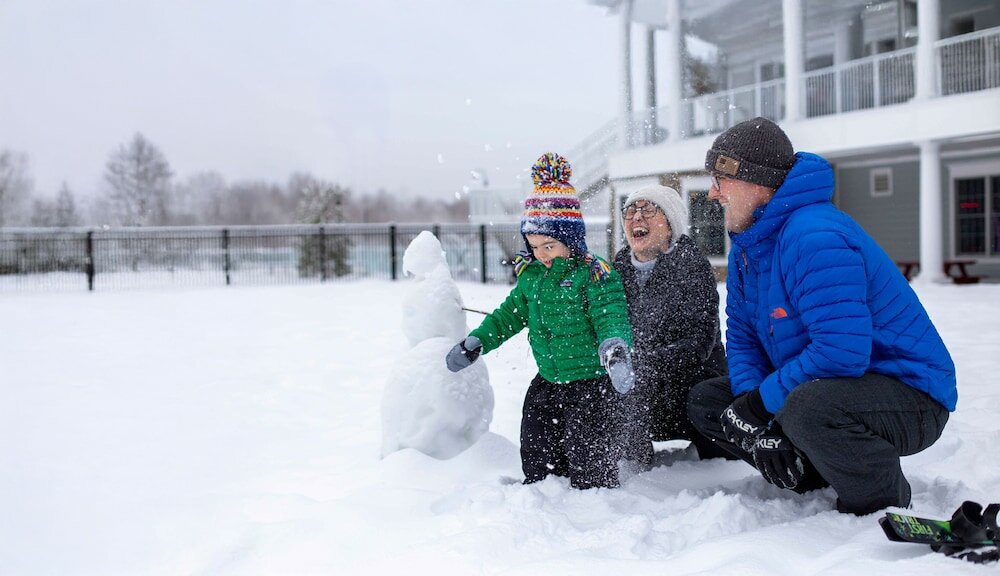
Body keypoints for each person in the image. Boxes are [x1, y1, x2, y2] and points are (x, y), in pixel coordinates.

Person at [686, 117, 957, 515]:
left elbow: (841, 352)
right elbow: (743, 335)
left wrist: (761, 407)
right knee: (709, 401)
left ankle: (880, 497)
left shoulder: (814, 236)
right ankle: (807, 468)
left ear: (756, 183)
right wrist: (751, 408)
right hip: (826, 386)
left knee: (808, 409)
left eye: (720, 181)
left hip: (908, 394)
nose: (713, 193)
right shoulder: (748, 247)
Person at [446, 152, 635, 489]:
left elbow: (610, 316)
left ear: (571, 239)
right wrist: (478, 341)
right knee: (537, 444)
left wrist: (615, 350)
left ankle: (595, 497)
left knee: (588, 456)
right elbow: (509, 315)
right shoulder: (532, 276)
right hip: (549, 379)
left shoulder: (594, 274)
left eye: (549, 246)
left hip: (590, 384)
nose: (540, 255)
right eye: (533, 247)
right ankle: (542, 489)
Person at [611, 185, 728, 468]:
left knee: (705, 400)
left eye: (648, 209)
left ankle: (718, 465)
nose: (637, 217)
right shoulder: (617, 269)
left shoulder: (692, 266)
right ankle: (631, 468)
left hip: (688, 386)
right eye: (630, 210)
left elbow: (698, 341)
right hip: (639, 389)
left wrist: (641, 365)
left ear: (671, 222)